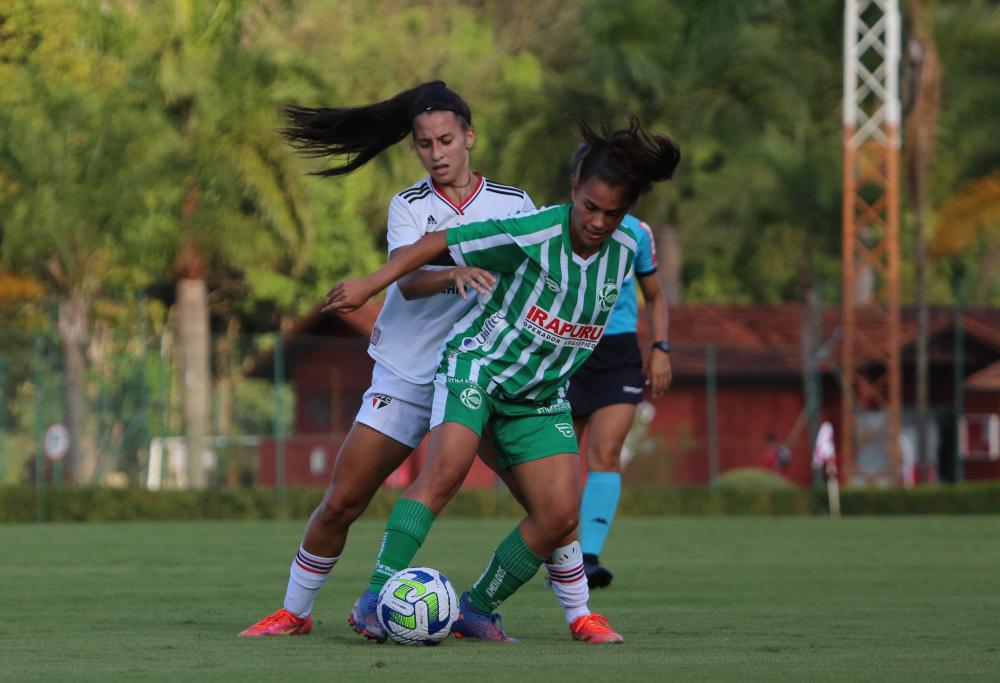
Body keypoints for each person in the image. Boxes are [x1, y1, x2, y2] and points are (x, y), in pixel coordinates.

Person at [238, 82, 606, 642]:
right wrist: (452, 274)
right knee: (343, 499)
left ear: (469, 137)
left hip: (487, 372)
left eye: (445, 140)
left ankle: (580, 615)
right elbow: (408, 282)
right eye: (424, 143)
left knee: (550, 507)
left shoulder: (514, 204)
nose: (436, 153)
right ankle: (294, 611)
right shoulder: (409, 205)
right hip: (409, 371)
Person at [326, 113, 681, 642]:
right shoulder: (535, 231)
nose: (599, 222)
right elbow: (437, 242)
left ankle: (478, 608)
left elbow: (642, 294)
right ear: (573, 190)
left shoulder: (627, 251)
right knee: (445, 473)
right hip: (480, 369)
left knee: (560, 515)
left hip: (539, 397)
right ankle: (375, 599)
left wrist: (658, 345)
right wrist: (369, 285)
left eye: (614, 212)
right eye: (590, 207)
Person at [567, 189, 671, 588]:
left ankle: (588, 558)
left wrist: (661, 348)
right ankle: (561, 553)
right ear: (577, 187)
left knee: (606, 453)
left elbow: (655, 295)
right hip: (567, 349)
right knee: (558, 460)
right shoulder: (554, 226)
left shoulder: (637, 233)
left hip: (618, 353)